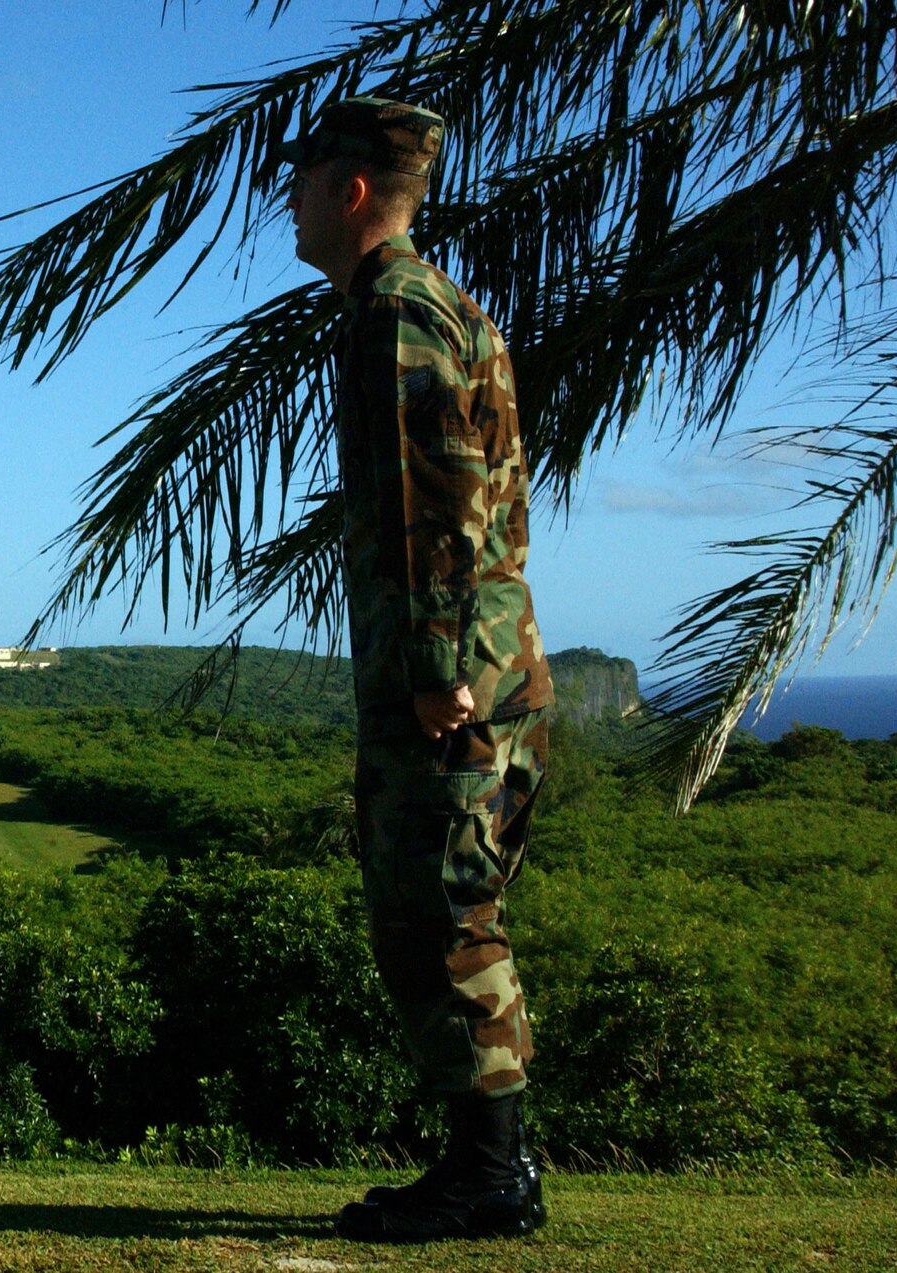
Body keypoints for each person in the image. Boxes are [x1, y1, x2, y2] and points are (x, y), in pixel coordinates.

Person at [279, 97, 554, 1242]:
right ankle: (490, 1160)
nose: (286, 205)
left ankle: (490, 1175)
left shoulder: (393, 311)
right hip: (481, 668)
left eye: (300, 182)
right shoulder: (430, 304)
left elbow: (430, 497)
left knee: (439, 916)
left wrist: (438, 668)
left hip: (450, 683)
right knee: (443, 910)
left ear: (350, 190)